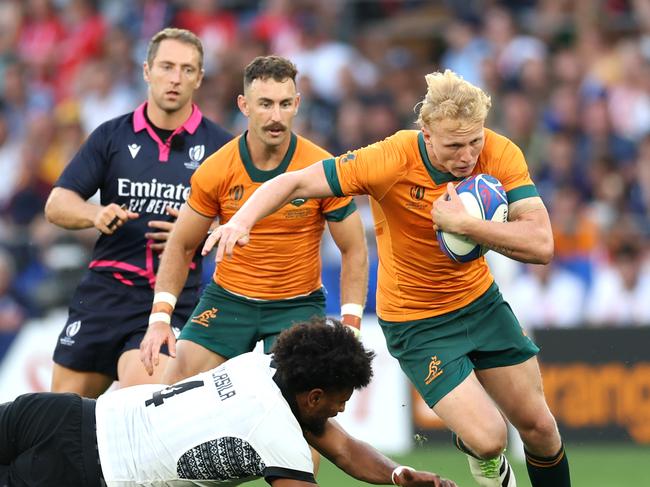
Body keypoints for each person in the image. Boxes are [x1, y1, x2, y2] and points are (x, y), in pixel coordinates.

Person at [206, 69, 572, 487]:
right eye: (454, 145)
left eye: (474, 141)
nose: (468, 156)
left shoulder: (500, 152)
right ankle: (479, 452)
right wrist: (242, 221)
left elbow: (541, 245)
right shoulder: (391, 158)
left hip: (481, 303)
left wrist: (465, 225)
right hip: (418, 323)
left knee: (541, 429)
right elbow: (294, 182)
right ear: (427, 134)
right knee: (490, 439)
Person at [0, 320, 457, 487]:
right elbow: (327, 441)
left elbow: (343, 448)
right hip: (80, 471)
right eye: (337, 402)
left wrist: (397, 475)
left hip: (58, 411)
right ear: (314, 396)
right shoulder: (278, 439)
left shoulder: (259, 365)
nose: (339, 412)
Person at [139, 55, 368, 385]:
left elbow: (354, 248)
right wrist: (160, 316)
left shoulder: (320, 168)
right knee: (176, 394)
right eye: (265, 104)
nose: (276, 116)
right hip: (228, 300)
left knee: (298, 410)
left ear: (297, 104)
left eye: (285, 104)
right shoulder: (217, 170)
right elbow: (182, 243)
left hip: (297, 306)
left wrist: (351, 325)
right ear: (244, 105)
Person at [44, 27, 232, 398]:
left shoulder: (221, 147)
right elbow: (57, 204)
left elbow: (243, 222)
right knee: (58, 423)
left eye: (187, 69)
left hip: (170, 301)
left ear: (199, 78)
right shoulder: (111, 136)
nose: (175, 78)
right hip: (103, 295)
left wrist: (199, 229)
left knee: (140, 411)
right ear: (147, 71)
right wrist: (94, 214)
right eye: (166, 67)